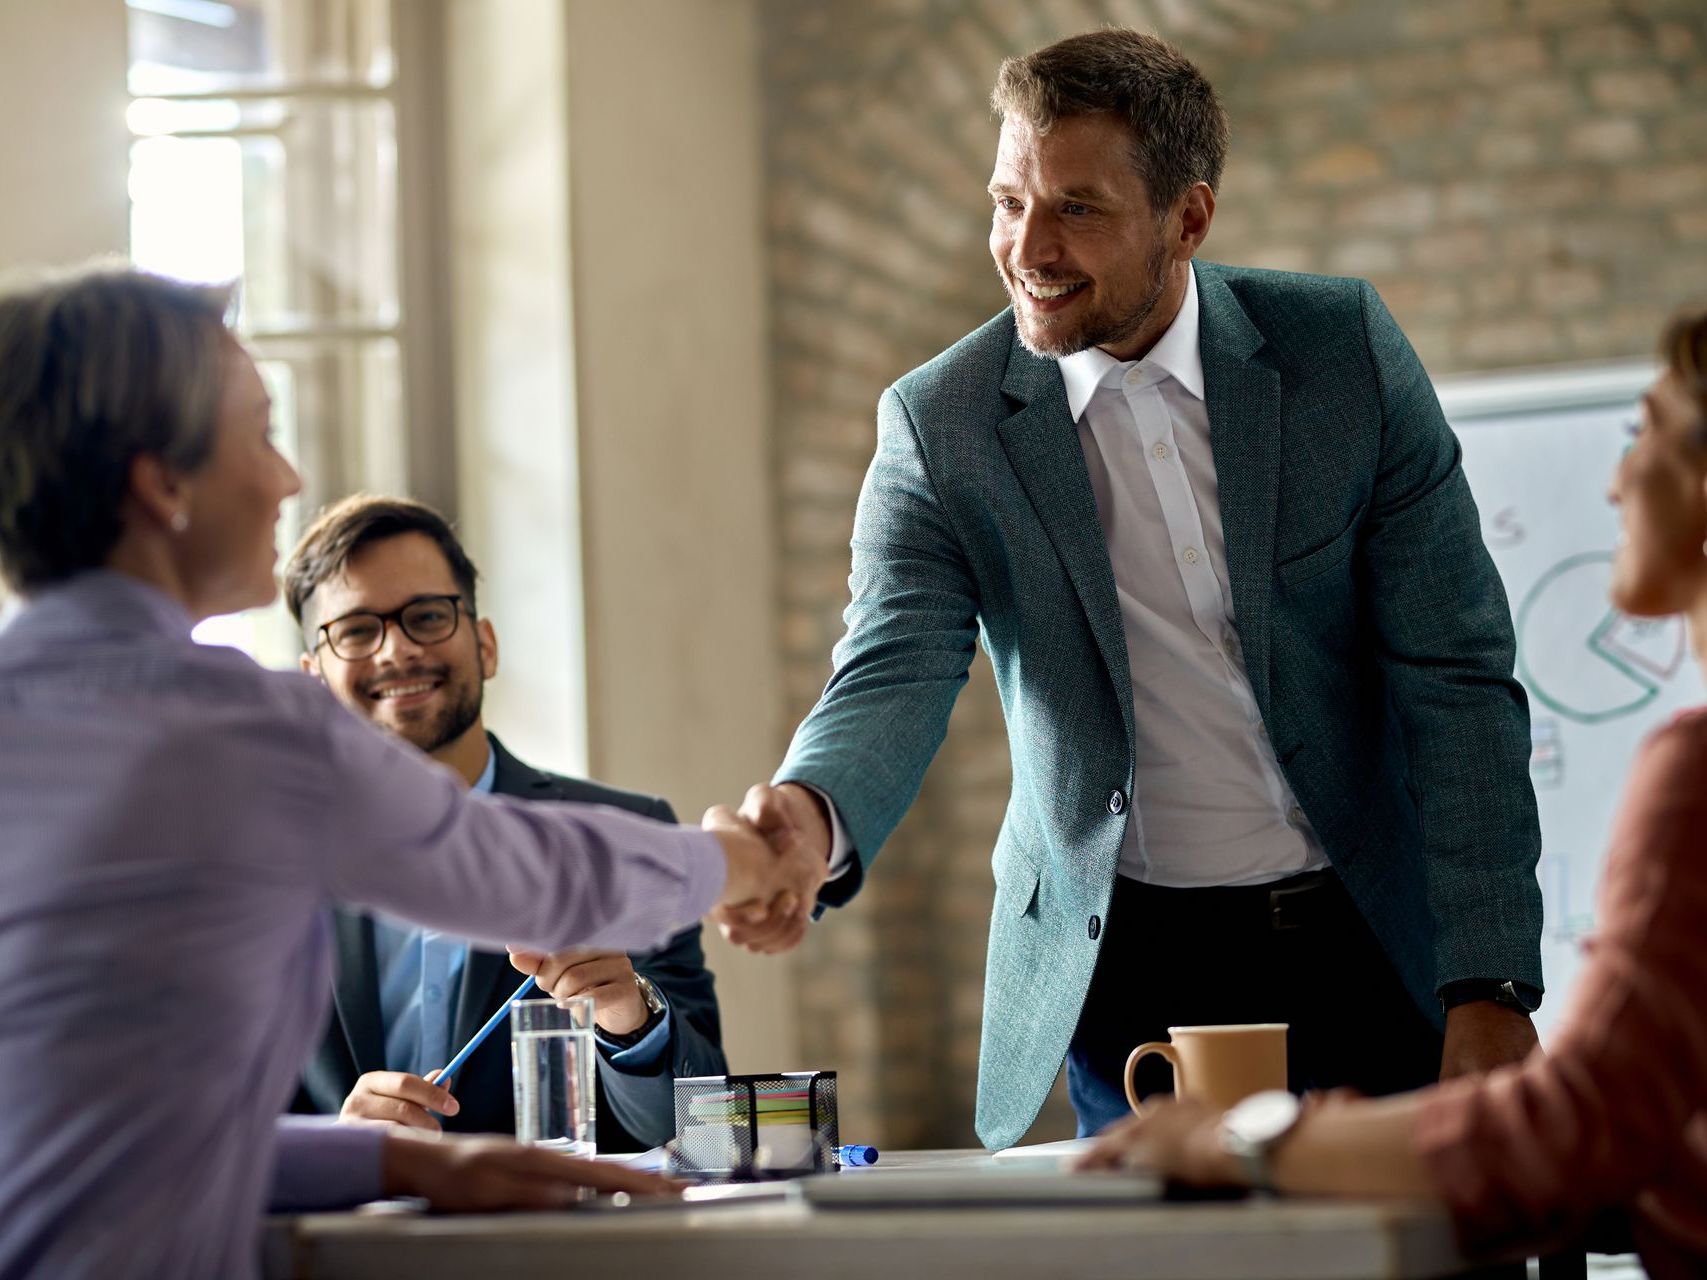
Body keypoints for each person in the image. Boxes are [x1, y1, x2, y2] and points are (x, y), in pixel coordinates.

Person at [724, 27, 1544, 1148]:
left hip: (1370, 929)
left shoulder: (1340, 354)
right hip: (1130, 967)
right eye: (1008, 199)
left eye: (1077, 207)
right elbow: (894, 662)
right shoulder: (941, 421)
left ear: (1189, 218)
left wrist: (1490, 980)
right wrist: (808, 818)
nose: (1027, 245)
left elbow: (1456, 675)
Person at [0, 266, 789, 1279]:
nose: (285, 477)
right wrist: (739, 859)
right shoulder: (238, 726)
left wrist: (394, 1156)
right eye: (259, 430)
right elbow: (521, 870)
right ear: (162, 483)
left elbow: (103, 1148)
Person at [1077, 310, 1707, 1279]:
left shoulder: (1693, 780)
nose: (1620, 481)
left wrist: (1232, 1143)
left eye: (1650, 436)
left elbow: (1583, 1123)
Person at [283, 494, 726, 1149]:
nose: (396, 651)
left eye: (427, 616)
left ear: (484, 645)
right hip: (342, 1248)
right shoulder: (263, 871)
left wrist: (626, 1015)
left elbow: (707, 1126)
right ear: (314, 681)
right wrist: (332, 1149)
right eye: (355, 630)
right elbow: (209, 1130)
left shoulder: (628, 834)